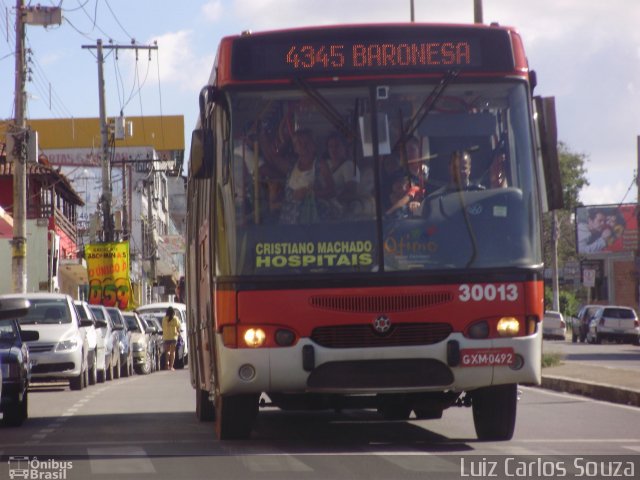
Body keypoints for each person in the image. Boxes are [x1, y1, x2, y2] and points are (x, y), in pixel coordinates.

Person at [279, 129, 336, 224]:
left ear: (314, 145)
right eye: (299, 142)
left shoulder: (321, 165)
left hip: (314, 222)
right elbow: (273, 157)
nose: (303, 145)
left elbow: (332, 191)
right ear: (295, 148)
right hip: (289, 223)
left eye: (307, 142)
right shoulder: (291, 166)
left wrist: (310, 193)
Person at [162, 306, 182, 371]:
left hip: (166, 337)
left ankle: (167, 365)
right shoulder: (175, 319)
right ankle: (171, 366)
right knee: (172, 352)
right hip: (174, 337)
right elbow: (179, 327)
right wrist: (179, 333)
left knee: (167, 351)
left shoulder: (164, 319)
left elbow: (163, 327)